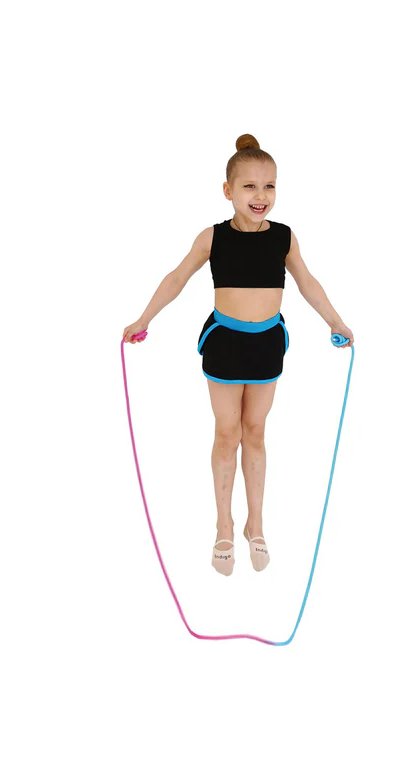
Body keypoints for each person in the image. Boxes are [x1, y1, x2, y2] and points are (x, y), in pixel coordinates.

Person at [122, 134, 353, 576]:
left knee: (256, 432)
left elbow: (308, 283)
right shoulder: (212, 237)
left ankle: (256, 524)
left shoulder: (284, 237)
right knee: (227, 433)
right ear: (228, 190)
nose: (260, 195)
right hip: (226, 344)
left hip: (266, 344)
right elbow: (176, 278)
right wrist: (143, 319)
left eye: (269, 186)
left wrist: (336, 322)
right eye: (249, 186)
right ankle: (224, 524)